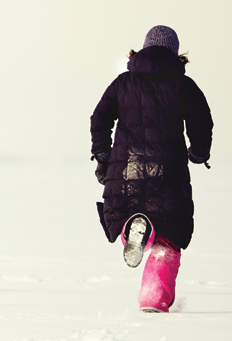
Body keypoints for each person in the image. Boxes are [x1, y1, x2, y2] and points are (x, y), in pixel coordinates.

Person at [90, 25, 213, 312]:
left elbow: (99, 119)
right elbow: (202, 123)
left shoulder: (123, 83)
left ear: (144, 49)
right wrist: (199, 153)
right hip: (167, 173)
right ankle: (153, 298)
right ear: (175, 53)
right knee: (169, 236)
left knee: (125, 212)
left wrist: (102, 155)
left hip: (126, 170)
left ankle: (130, 229)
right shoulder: (183, 86)